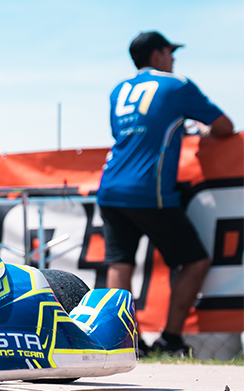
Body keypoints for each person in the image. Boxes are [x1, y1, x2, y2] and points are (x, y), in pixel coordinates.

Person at [97, 31, 234, 356]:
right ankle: (170, 340)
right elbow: (225, 126)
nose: (173, 59)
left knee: (120, 263)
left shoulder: (119, 89)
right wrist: (200, 131)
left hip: (110, 186)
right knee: (195, 262)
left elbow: (129, 134)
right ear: (157, 54)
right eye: (170, 52)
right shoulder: (176, 85)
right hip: (149, 190)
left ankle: (125, 343)